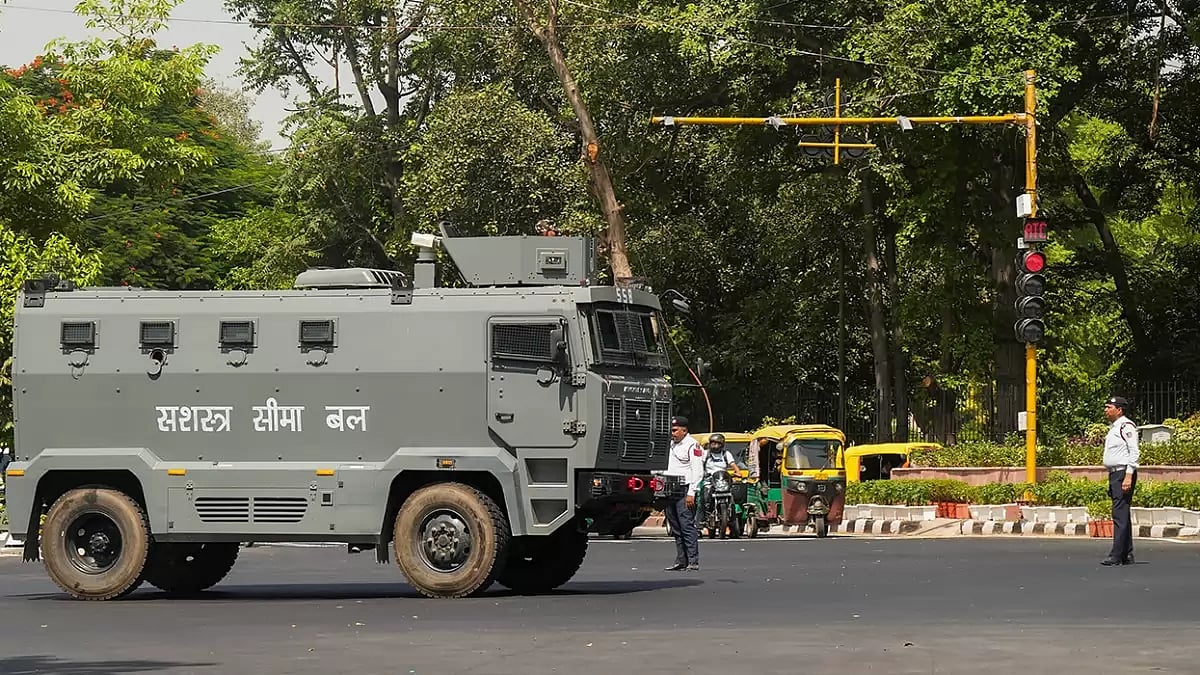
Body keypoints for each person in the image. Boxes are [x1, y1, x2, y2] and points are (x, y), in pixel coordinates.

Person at [1101, 395, 1139, 566]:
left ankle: (1116, 554)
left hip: (1123, 473)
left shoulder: (1126, 426)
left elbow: (1134, 451)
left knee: (1119, 514)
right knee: (1122, 513)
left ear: (1119, 410)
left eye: (1109, 407)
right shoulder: (1114, 428)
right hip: (1115, 474)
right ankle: (1127, 553)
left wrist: (1129, 475)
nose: (1106, 410)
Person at [664, 415, 703, 571]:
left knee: (686, 525)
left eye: (675, 430)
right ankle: (681, 560)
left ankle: (693, 561)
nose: (672, 433)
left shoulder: (693, 445)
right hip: (669, 489)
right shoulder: (671, 445)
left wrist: (692, 492)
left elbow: (698, 471)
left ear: (684, 430)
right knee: (675, 527)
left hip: (684, 489)